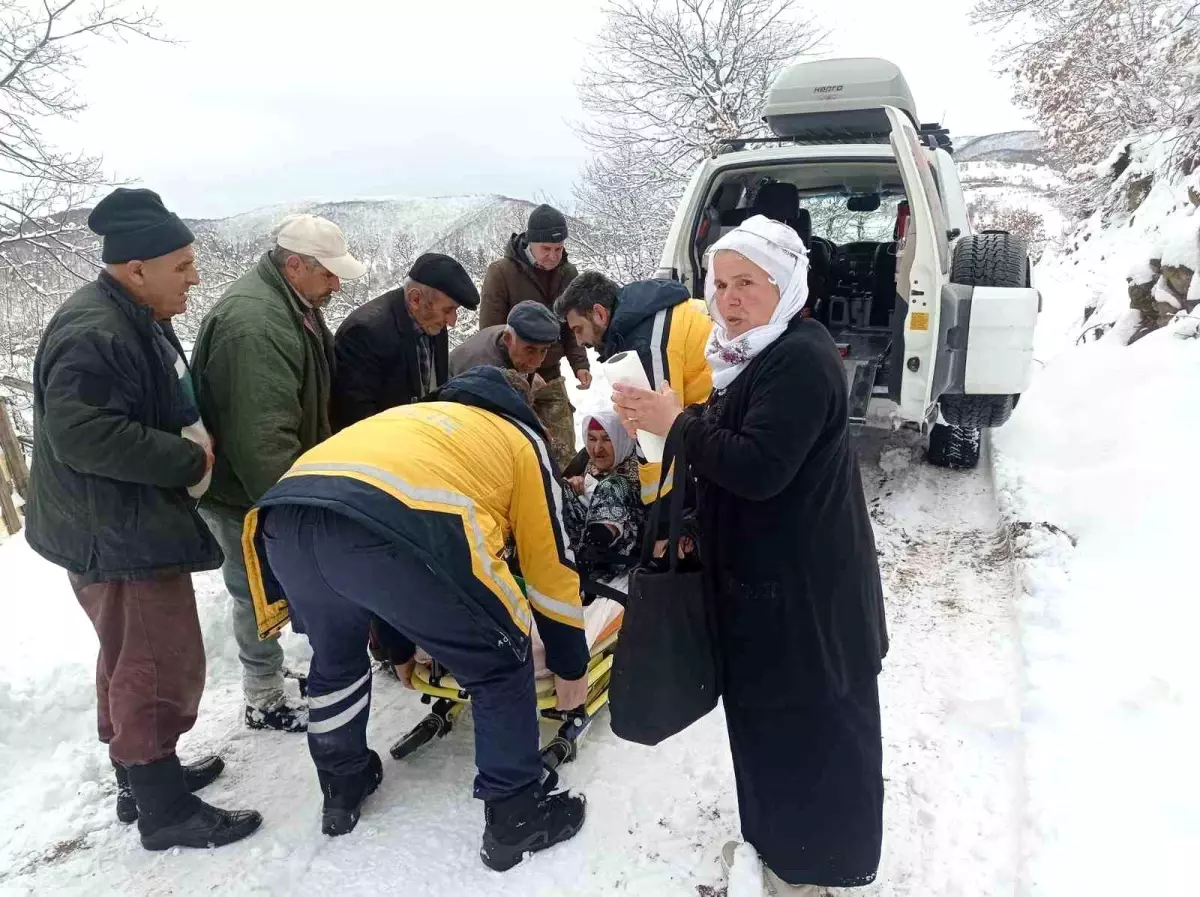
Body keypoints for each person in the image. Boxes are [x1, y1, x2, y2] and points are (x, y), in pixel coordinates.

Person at [611, 215, 888, 894]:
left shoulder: (799, 359)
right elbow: (731, 439)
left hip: (805, 601)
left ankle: (811, 870)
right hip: (770, 594)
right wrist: (686, 435)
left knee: (810, 734)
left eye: (748, 283)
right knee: (771, 732)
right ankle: (781, 851)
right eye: (721, 282)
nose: (729, 297)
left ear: (786, 286)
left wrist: (675, 423)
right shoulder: (753, 352)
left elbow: (761, 466)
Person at [240, 365, 589, 870]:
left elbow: (373, 539)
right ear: (522, 409)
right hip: (390, 528)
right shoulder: (519, 440)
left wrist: (399, 649)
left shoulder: (411, 416)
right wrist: (569, 664)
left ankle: (344, 782)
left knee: (335, 661)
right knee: (499, 657)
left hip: (285, 519)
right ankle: (517, 819)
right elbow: (550, 566)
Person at [24, 188, 261, 850]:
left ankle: (140, 777)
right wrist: (185, 459)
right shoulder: (94, 331)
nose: (194, 276)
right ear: (136, 268)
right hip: (117, 531)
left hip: (109, 523)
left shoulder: (127, 311)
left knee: (128, 655)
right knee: (158, 662)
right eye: (182, 265)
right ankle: (165, 810)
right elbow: (80, 433)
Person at [192, 214, 366, 732]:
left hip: (268, 481)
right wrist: (291, 510)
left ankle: (268, 674)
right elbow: (261, 435)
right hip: (243, 491)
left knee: (271, 586)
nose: (336, 283)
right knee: (253, 589)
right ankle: (262, 696)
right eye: (329, 274)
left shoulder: (296, 304)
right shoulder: (257, 325)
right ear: (295, 264)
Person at [553, 271, 713, 511]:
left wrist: (660, 518)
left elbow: (656, 442)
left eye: (578, 329)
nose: (578, 341)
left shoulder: (647, 345)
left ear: (599, 314)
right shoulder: (647, 315)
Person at [480, 204, 587, 467]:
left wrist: (580, 364)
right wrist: (522, 370)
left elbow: (570, 327)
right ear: (530, 243)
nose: (553, 256)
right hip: (510, 375)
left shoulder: (568, 274)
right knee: (516, 449)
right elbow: (491, 332)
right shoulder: (502, 273)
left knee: (563, 451)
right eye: (546, 249)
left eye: (558, 249)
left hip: (550, 373)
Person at [330, 253, 478, 432]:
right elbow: (356, 419)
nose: (453, 321)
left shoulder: (433, 322)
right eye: (448, 310)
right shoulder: (364, 333)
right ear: (415, 299)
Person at [560, 408, 643, 583]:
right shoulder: (585, 461)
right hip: (579, 545)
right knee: (562, 489)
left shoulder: (643, 468)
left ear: (621, 438)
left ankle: (590, 556)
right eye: (592, 439)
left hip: (623, 553)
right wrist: (572, 483)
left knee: (613, 484)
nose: (597, 448)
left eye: (607, 439)